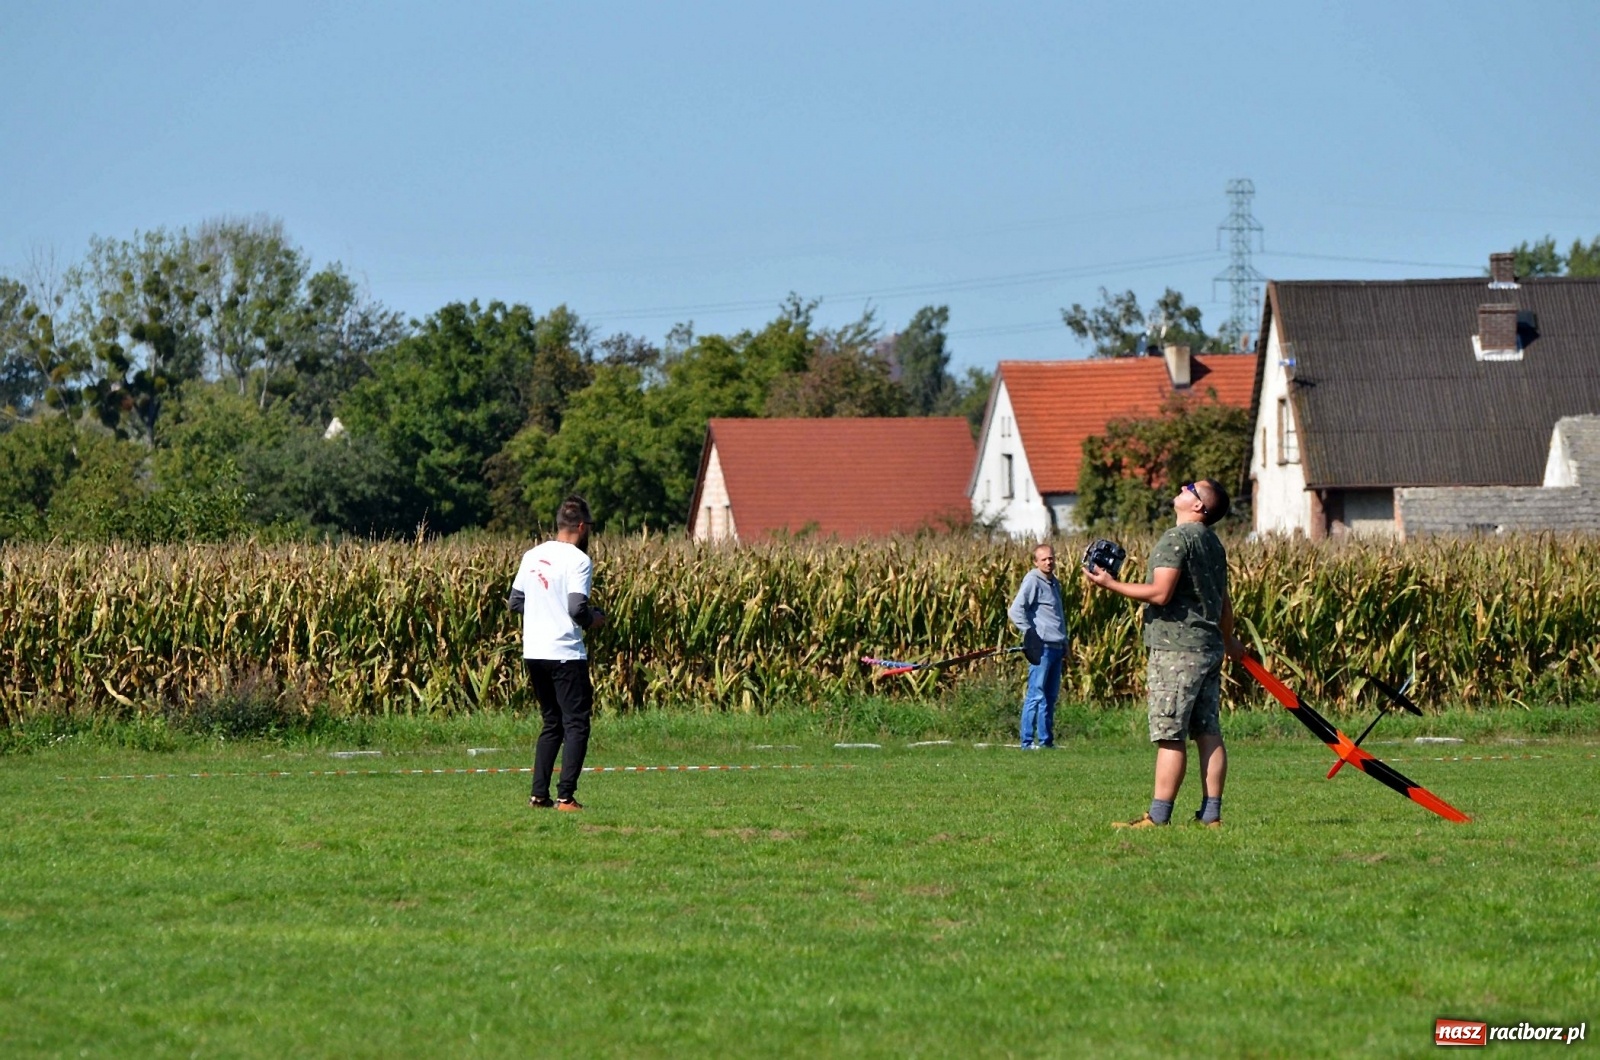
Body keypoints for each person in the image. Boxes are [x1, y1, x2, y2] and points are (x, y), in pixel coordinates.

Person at [1083, 480, 1245, 828]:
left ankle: (1158, 817)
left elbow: (1160, 593)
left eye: (1191, 488)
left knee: (1170, 734)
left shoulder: (1176, 539)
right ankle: (1211, 814)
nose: (1184, 488)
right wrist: (1228, 640)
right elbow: (1224, 602)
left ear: (1199, 507)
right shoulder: (1213, 544)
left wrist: (1109, 584)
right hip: (1209, 646)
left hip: (1176, 650)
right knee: (1207, 731)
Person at [508, 494, 607, 811]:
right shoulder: (579, 560)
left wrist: (542, 609)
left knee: (552, 723)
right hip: (565, 652)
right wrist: (595, 619)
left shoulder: (532, 555)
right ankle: (566, 796)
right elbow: (577, 607)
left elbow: (515, 602)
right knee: (576, 724)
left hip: (533, 652)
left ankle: (539, 795)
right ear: (581, 526)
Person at [1008, 542, 1068, 749]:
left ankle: (1046, 741)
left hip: (1057, 645)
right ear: (1036, 562)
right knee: (1036, 694)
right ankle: (1027, 741)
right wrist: (1030, 633)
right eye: (1044, 559)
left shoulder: (1054, 583)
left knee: (1050, 697)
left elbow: (1057, 616)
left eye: (1051, 558)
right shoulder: (1033, 580)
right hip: (1042, 648)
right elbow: (1015, 610)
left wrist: (1065, 642)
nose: (1048, 562)